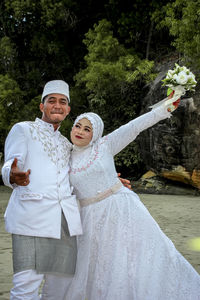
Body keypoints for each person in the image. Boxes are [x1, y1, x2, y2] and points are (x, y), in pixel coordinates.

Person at [1, 79, 131, 300]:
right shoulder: (23, 129)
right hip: (31, 221)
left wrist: (108, 182)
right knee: (25, 288)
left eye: (62, 102)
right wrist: (11, 176)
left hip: (65, 226)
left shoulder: (67, 144)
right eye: (52, 101)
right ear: (42, 106)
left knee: (59, 291)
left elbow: (77, 177)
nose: (57, 106)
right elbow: (10, 162)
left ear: (68, 109)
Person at [60, 104, 200, 299]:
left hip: (121, 210)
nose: (80, 131)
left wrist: (165, 108)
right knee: (102, 266)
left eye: (87, 129)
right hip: (89, 219)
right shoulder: (64, 156)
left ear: (96, 133)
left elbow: (135, 127)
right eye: (77, 126)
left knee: (136, 258)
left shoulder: (105, 145)